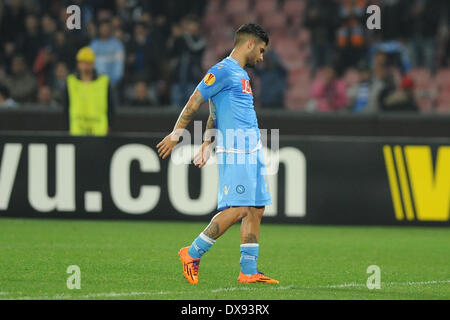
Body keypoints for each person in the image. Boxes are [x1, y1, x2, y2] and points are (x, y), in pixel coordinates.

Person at [157, 23, 278, 285]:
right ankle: (192, 252)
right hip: (236, 149)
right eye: (262, 49)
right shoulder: (222, 70)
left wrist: (207, 141)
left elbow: (214, 111)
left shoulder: (242, 75)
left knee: (256, 208)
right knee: (238, 209)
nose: (262, 56)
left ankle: (248, 271)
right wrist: (177, 133)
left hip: (252, 148)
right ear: (249, 44)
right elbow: (195, 101)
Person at [63, 46, 115, 136]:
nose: (86, 66)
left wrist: (109, 125)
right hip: (77, 129)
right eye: (83, 62)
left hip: (99, 129)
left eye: (88, 62)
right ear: (78, 64)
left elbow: (111, 106)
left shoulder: (103, 81)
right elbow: (66, 106)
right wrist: (67, 127)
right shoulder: (71, 81)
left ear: (93, 64)